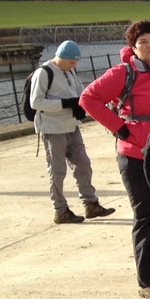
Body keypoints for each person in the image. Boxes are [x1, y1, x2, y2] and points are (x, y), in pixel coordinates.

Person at [80, 20, 150, 299]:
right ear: (133, 48)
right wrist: (121, 128)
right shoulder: (123, 73)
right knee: (147, 215)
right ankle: (147, 282)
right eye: (143, 42)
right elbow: (88, 98)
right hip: (135, 153)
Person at [28, 42, 116, 225]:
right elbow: (35, 102)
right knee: (57, 171)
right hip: (52, 129)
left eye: (75, 63)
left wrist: (81, 104)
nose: (73, 65)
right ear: (60, 57)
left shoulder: (69, 71)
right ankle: (60, 210)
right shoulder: (44, 73)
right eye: (70, 62)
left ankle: (90, 204)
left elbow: (80, 92)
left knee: (83, 164)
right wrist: (65, 104)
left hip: (71, 126)